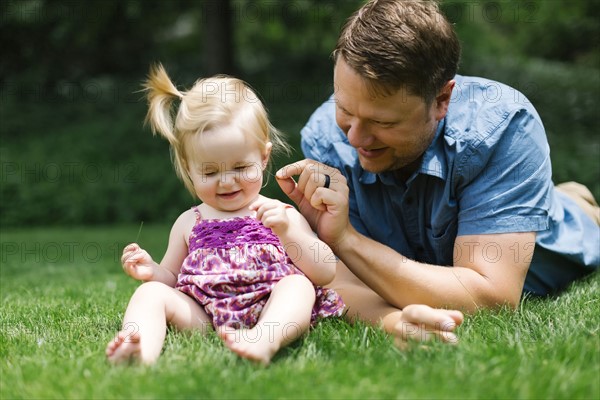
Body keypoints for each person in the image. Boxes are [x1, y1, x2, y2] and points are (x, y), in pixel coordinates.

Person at [275, 0, 600, 345]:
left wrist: (345, 240)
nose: (354, 137)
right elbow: (336, 279)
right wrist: (392, 320)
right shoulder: (326, 138)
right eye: (343, 108)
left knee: (571, 218)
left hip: (553, 241)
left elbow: (492, 297)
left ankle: (580, 207)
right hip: (420, 253)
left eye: (382, 122)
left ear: (442, 100)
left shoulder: (503, 128)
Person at [105, 64, 344, 365]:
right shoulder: (190, 222)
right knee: (150, 294)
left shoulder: (278, 214)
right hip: (203, 316)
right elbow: (172, 278)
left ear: (264, 156)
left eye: (241, 168)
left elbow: (325, 271)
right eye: (210, 171)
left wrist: (288, 231)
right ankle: (139, 347)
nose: (227, 180)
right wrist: (152, 272)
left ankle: (264, 339)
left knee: (298, 286)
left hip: (269, 307)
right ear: (188, 167)